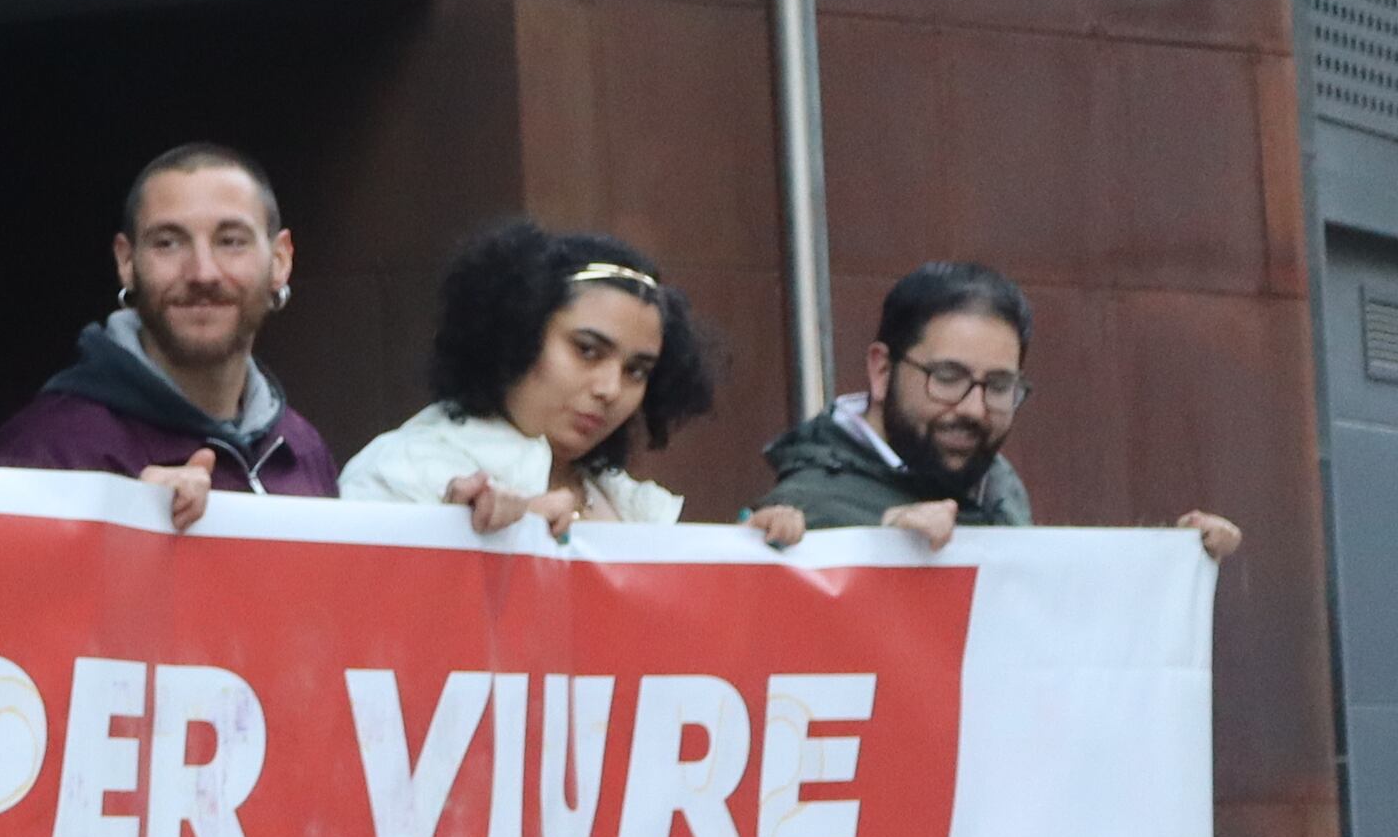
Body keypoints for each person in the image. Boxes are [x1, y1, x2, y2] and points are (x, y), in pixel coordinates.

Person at [339, 222, 807, 544]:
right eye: (587, 350)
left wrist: (749, 559)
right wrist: (454, 536)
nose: (610, 388)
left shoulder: (628, 502)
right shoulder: (402, 469)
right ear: (516, 333)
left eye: (637, 371)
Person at [760, 260, 1243, 560]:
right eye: (947, 378)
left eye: (998, 386)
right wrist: (875, 550)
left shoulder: (999, 487)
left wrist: (1176, 559)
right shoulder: (805, 510)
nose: (973, 409)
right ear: (882, 371)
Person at [0, 142, 340, 521]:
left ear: (280, 260)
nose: (203, 273)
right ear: (127, 262)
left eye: (231, 241)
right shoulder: (45, 454)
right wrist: (131, 532)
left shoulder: (303, 450)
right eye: (168, 243)